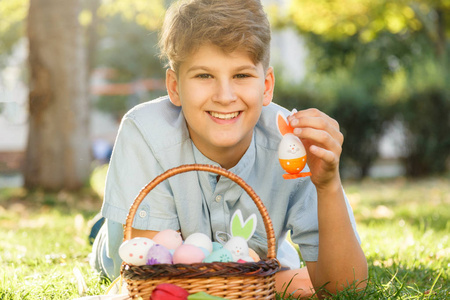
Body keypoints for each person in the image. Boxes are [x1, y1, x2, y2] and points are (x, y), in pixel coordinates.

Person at [90, 0, 368, 297]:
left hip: (255, 251)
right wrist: (280, 282)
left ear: (267, 85)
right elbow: (157, 283)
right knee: (108, 234)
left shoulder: (294, 146)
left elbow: (346, 287)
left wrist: (327, 185)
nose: (225, 96)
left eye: (242, 75)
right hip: (123, 242)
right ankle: (101, 226)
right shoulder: (144, 132)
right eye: (204, 75)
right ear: (174, 86)